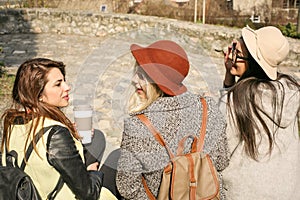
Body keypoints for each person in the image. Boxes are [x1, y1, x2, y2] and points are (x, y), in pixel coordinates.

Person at [116, 40, 229, 199]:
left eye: (141, 75)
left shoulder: (137, 126)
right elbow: (222, 162)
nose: (134, 79)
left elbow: (127, 187)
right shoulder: (209, 108)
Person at [0, 58, 117, 199]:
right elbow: (89, 194)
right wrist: (92, 170)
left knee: (96, 137)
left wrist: (70, 133)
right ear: (39, 95)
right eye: (58, 84)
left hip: (31, 189)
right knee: (118, 157)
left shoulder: (12, 121)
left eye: (64, 81)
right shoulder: (55, 134)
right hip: (61, 196)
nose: (67, 87)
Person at [220, 26, 300, 199]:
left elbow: (220, 137)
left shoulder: (236, 100)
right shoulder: (290, 92)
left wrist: (228, 83)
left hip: (245, 193)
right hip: (288, 192)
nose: (232, 57)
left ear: (253, 63)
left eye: (237, 53)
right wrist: (230, 74)